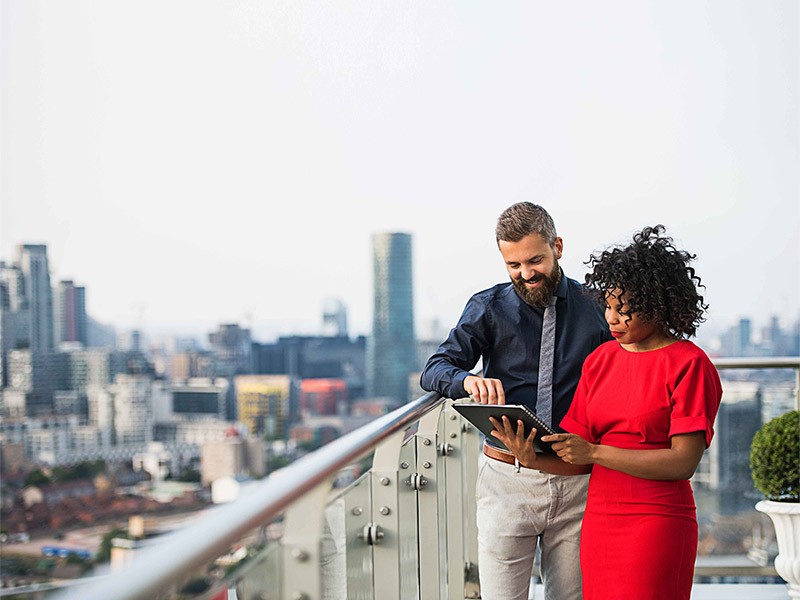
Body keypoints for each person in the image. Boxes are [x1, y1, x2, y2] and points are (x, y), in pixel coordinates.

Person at [492, 225, 723, 600]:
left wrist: (595, 452)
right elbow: (575, 455)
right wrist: (529, 458)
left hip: (657, 522)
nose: (611, 319)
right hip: (600, 521)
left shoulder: (689, 364)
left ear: (656, 303)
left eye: (623, 309)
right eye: (609, 307)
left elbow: (683, 463)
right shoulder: (600, 360)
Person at [420, 202, 611, 600]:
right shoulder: (488, 307)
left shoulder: (596, 307)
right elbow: (435, 369)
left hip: (579, 482)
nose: (525, 274)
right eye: (513, 265)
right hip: (507, 482)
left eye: (535, 260)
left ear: (558, 246)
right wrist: (468, 382)